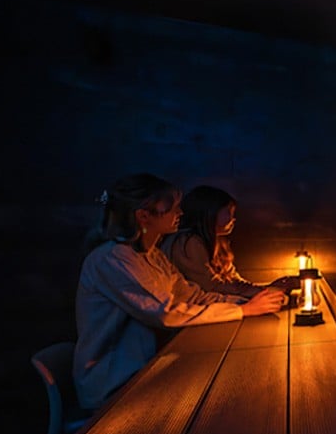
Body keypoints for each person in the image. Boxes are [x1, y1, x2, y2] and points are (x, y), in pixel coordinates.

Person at [73, 173, 286, 410]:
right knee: (225, 394)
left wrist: (245, 302)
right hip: (115, 382)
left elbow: (191, 295)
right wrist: (243, 310)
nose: (180, 213)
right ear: (144, 216)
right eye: (172, 208)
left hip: (149, 367)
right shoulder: (113, 260)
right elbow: (165, 312)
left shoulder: (151, 255)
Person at [162, 185, 298, 297]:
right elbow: (211, 286)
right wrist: (264, 291)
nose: (233, 219)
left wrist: (267, 288)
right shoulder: (188, 242)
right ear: (210, 212)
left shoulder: (217, 241)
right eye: (228, 212)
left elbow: (232, 280)